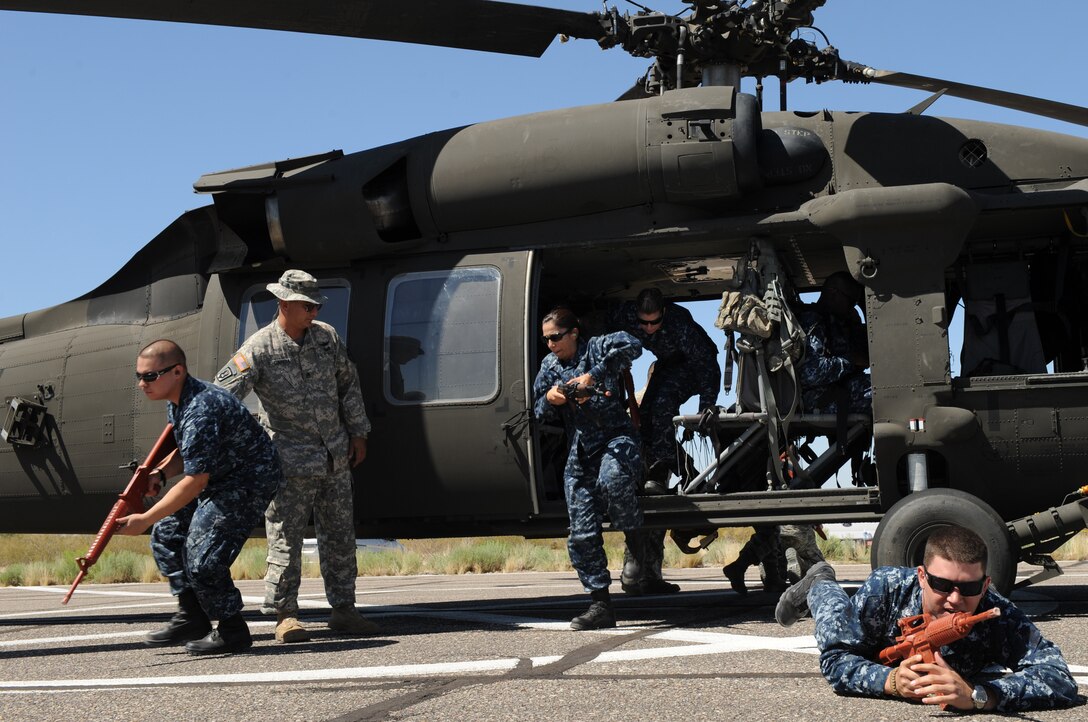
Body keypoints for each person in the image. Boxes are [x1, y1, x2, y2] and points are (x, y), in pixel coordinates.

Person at [216, 269, 375, 644]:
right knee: (285, 540)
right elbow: (222, 398)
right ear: (284, 303)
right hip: (288, 463)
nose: (313, 312)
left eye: (315, 305)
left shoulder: (326, 338)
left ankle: (344, 609)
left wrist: (358, 432)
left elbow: (348, 385)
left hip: (334, 456)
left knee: (339, 536)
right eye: (307, 306)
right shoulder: (258, 348)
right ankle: (285, 615)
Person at [775, 525, 1079, 712]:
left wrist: (981, 695)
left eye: (970, 588)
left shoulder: (995, 612)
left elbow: (1059, 677)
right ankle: (819, 581)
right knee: (833, 615)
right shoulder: (886, 588)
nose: (955, 600)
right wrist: (889, 680)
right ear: (922, 576)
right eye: (942, 585)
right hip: (874, 638)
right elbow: (837, 659)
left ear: (985, 585)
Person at [119, 339, 282, 654]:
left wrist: (144, 518)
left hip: (247, 480)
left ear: (177, 371)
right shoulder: (178, 400)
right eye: (139, 376)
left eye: (150, 376)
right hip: (221, 476)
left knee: (203, 558)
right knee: (167, 534)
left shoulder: (200, 407)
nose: (142, 384)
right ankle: (192, 616)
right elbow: (189, 450)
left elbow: (195, 481)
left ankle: (232, 630)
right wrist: (162, 474)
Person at [533, 306, 646, 630]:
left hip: (616, 439)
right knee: (581, 533)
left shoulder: (597, 347)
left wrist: (592, 376)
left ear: (573, 333)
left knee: (613, 481)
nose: (551, 344)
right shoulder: (550, 365)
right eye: (546, 340)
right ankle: (600, 605)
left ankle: (636, 545)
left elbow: (632, 345)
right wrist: (552, 399)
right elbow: (537, 410)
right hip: (581, 451)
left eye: (555, 337)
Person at [609, 288, 720, 595]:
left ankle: (674, 467)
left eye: (654, 323)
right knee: (647, 416)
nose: (648, 329)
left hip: (692, 364)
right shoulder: (626, 316)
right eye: (643, 324)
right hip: (666, 363)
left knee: (662, 404)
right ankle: (668, 465)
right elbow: (604, 325)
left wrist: (707, 405)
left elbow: (707, 363)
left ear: (663, 314)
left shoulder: (681, 324)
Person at [797, 271, 871, 415]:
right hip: (817, 399)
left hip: (834, 390)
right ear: (833, 293)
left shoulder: (834, 323)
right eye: (850, 301)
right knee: (882, 394)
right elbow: (811, 373)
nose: (852, 308)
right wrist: (851, 361)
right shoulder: (812, 321)